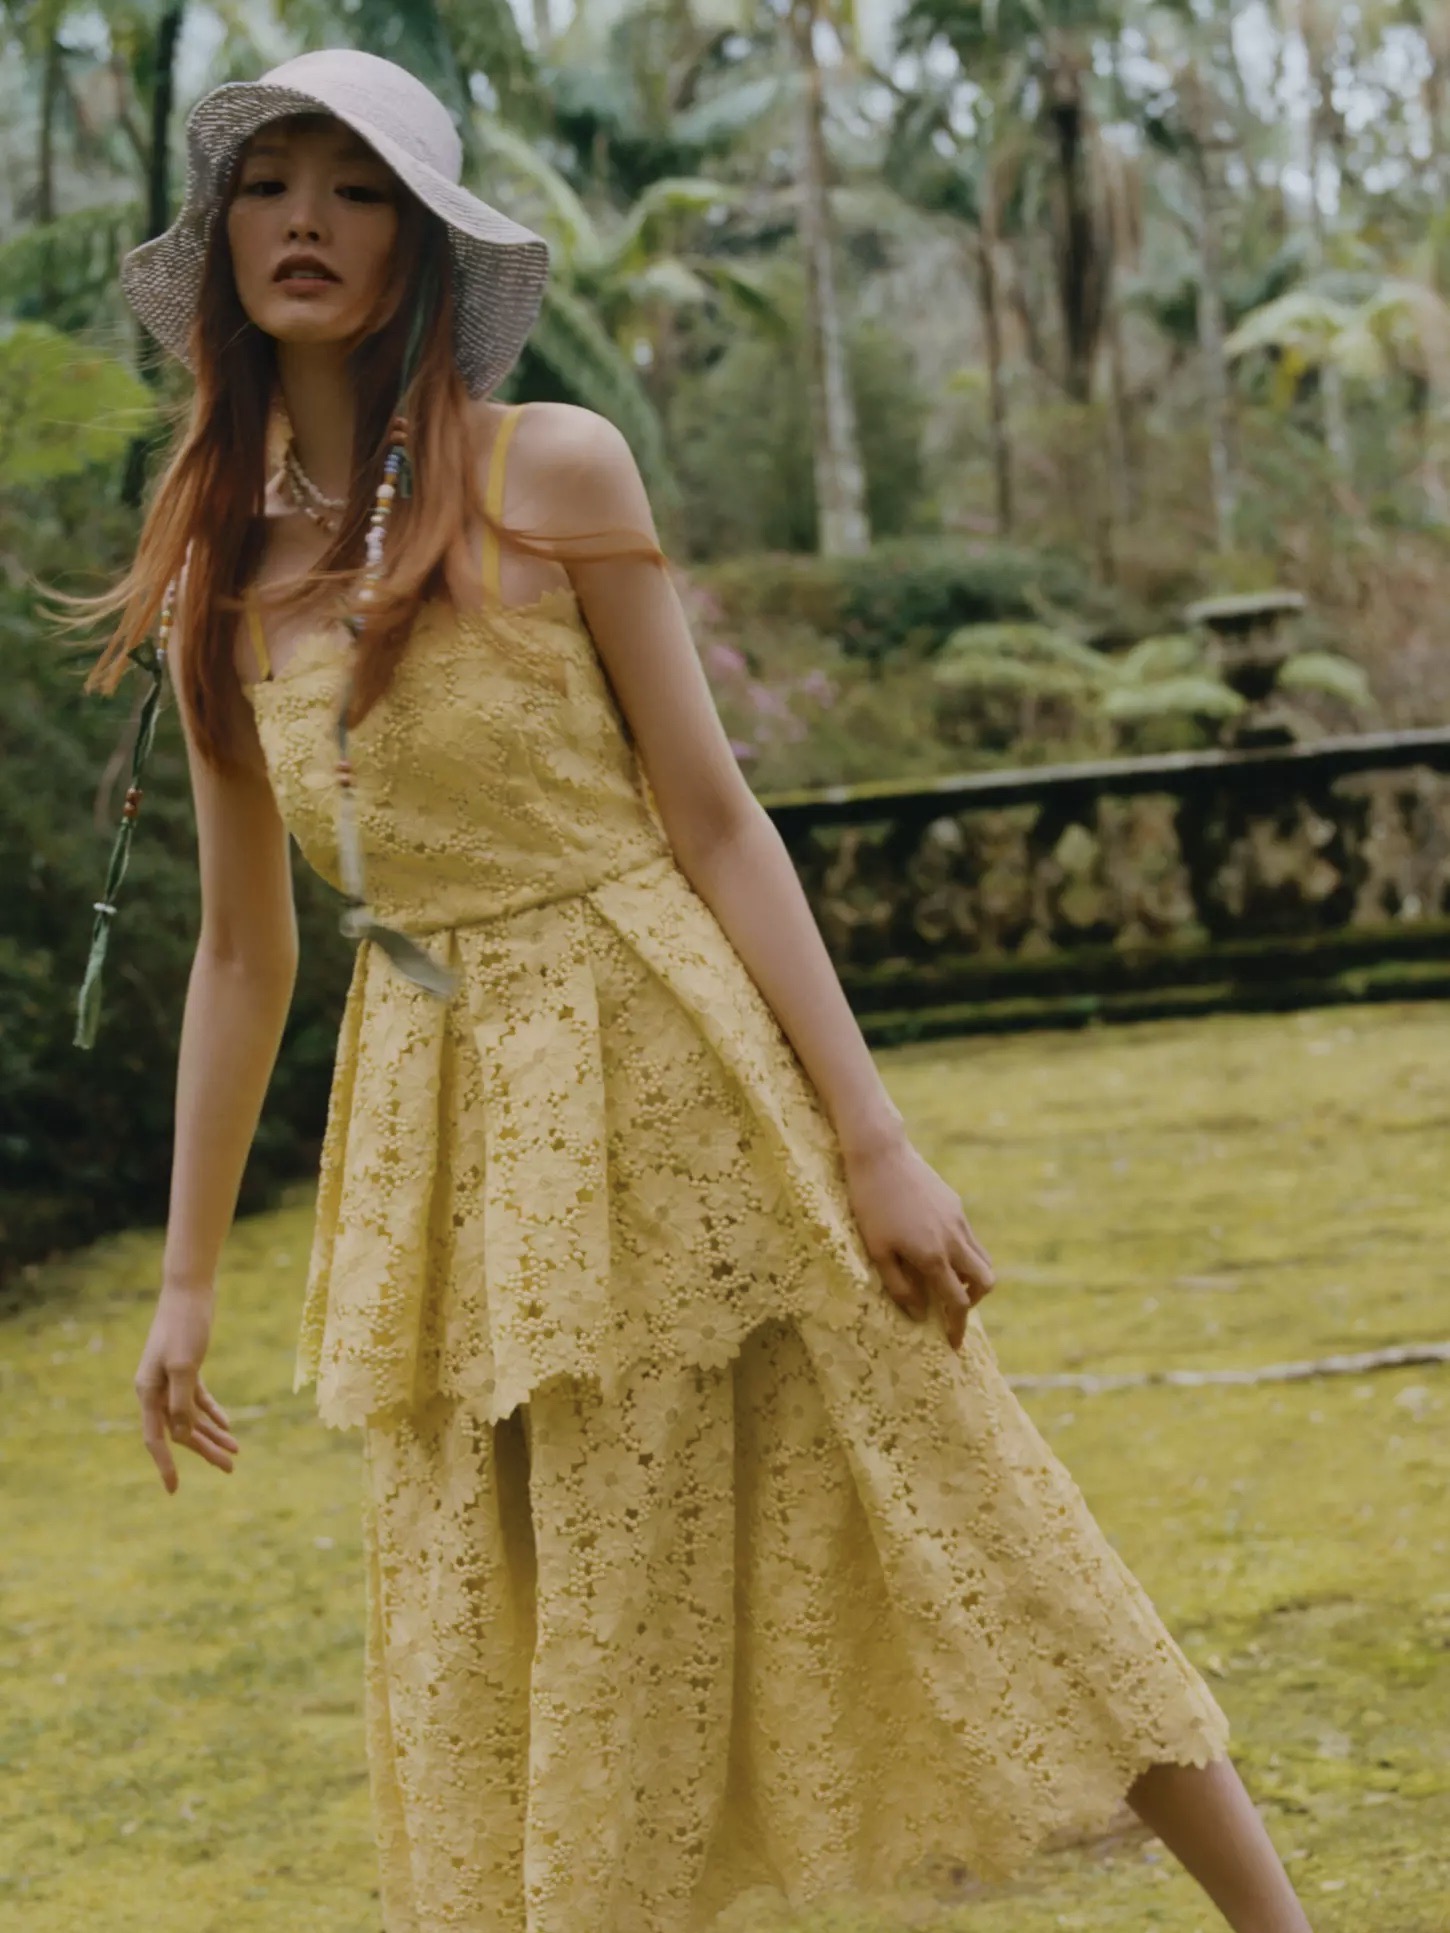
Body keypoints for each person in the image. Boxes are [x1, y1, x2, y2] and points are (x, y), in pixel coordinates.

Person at [79, 46, 1314, 1933]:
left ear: (417, 244)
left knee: (955, 1495)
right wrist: (181, 1285)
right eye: (269, 185)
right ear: (224, 242)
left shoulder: (553, 467)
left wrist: (875, 1139)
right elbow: (245, 952)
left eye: (354, 187)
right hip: (442, 1131)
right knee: (522, 1599)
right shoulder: (218, 583)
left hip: (672, 1059)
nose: (306, 220)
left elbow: (717, 816)